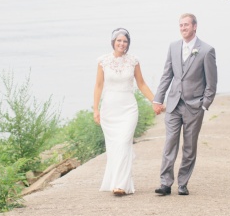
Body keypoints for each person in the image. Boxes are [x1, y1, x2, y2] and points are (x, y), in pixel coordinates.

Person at [153, 13, 217, 196]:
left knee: (189, 147)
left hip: (194, 106)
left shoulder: (206, 50)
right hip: (173, 104)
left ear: (195, 26)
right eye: (181, 25)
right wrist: (158, 98)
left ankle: (182, 183)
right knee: (169, 143)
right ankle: (165, 183)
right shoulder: (173, 47)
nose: (183, 28)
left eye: (186, 25)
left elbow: (211, 83)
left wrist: (204, 104)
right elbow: (167, 75)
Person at [93, 27, 156, 196]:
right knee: (115, 147)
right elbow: (98, 86)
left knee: (123, 142)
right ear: (113, 42)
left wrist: (155, 101)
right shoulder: (103, 61)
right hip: (109, 110)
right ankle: (117, 183)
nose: (122, 43)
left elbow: (141, 84)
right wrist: (95, 109)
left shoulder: (133, 61)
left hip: (128, 109)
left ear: (128, 44)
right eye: (119, 40)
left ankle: (120, 185)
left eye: (125, 41)